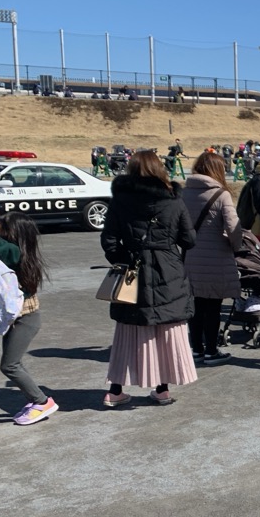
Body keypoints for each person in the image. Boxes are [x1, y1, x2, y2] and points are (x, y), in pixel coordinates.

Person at [100, 150, 198, 407]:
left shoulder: (120, 200)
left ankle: (115, 390)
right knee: (166, 328)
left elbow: (109, 240)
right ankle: (162, 389)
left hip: (133, 270)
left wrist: (125, 259)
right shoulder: (174, 200)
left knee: (129, 330)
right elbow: (189, 239)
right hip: (168, 270)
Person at [0, 213, 57, 425]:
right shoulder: (14, 252)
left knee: (10, 365)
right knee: (10, 364)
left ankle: (41, 401)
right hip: (17, 318)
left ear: (11, 231)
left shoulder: (13, 253)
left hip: (25, 320)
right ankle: (37, 401)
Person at [182, 152, 242, 366]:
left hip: (190, 257)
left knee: (195, 305)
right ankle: (211, 351)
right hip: (216, 257)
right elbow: (233, 227)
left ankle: (196, 348)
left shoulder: (183, 193)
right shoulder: (221, 195)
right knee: (213, 306)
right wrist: (237, 246)